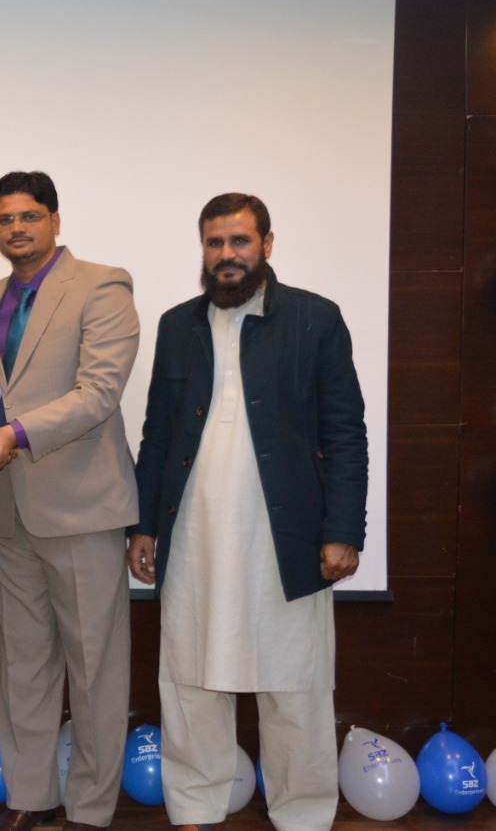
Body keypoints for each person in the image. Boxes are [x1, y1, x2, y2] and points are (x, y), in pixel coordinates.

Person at [126, 193, 367, 831]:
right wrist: (143, 525)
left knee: (295, 686)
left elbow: (346, 433)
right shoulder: (178, 325)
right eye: (215, 243)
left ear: (267, 243)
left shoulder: (315, 319)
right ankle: (194, 807)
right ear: (202, 249)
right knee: (190, 681)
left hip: (286, 538)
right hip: (194, 534)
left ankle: (304, 815)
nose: (227, 254)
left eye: (240, 241)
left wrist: (343, 530)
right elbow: (157, 434)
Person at [0, 171, 140, 831]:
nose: (17, 228)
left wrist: (15, 433)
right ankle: (31, 796)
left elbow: (100, 392)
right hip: (7, 506)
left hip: (82, 507)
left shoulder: (102, 285)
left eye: (30, 216)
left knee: (95, 667)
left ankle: (91, 809)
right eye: (5, 218)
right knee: (24, 660)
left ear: (55, 220)